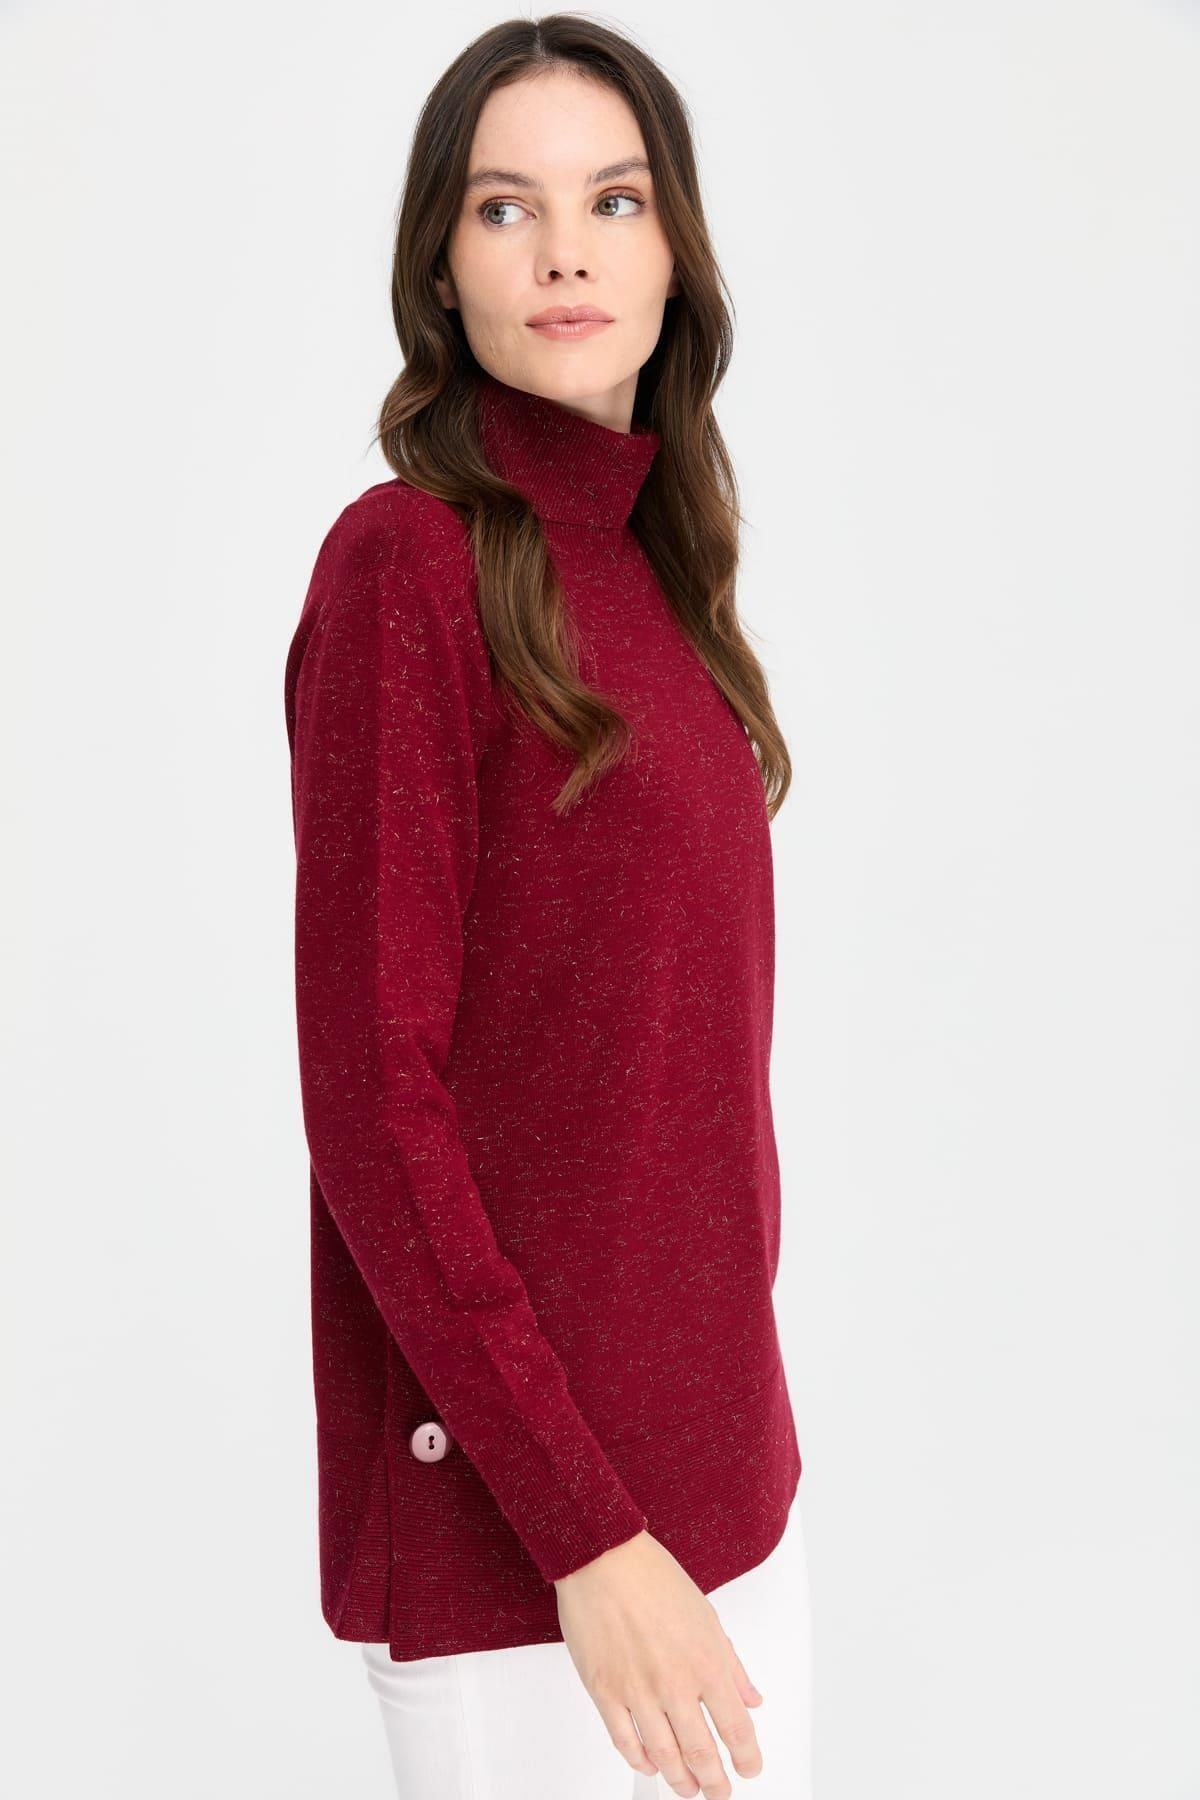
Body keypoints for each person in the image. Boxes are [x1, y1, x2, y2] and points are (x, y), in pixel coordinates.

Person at [283, 14, 813, 1799]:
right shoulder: (406, 564)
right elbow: (375, 1102)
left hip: (730, 1497)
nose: (567, 250)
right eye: (507, 207)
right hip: (544, 1553)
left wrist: (707, 1477)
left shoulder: (658, 572)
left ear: (675, 254)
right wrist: (589, 1536)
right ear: (442, 265)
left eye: (615, 200)